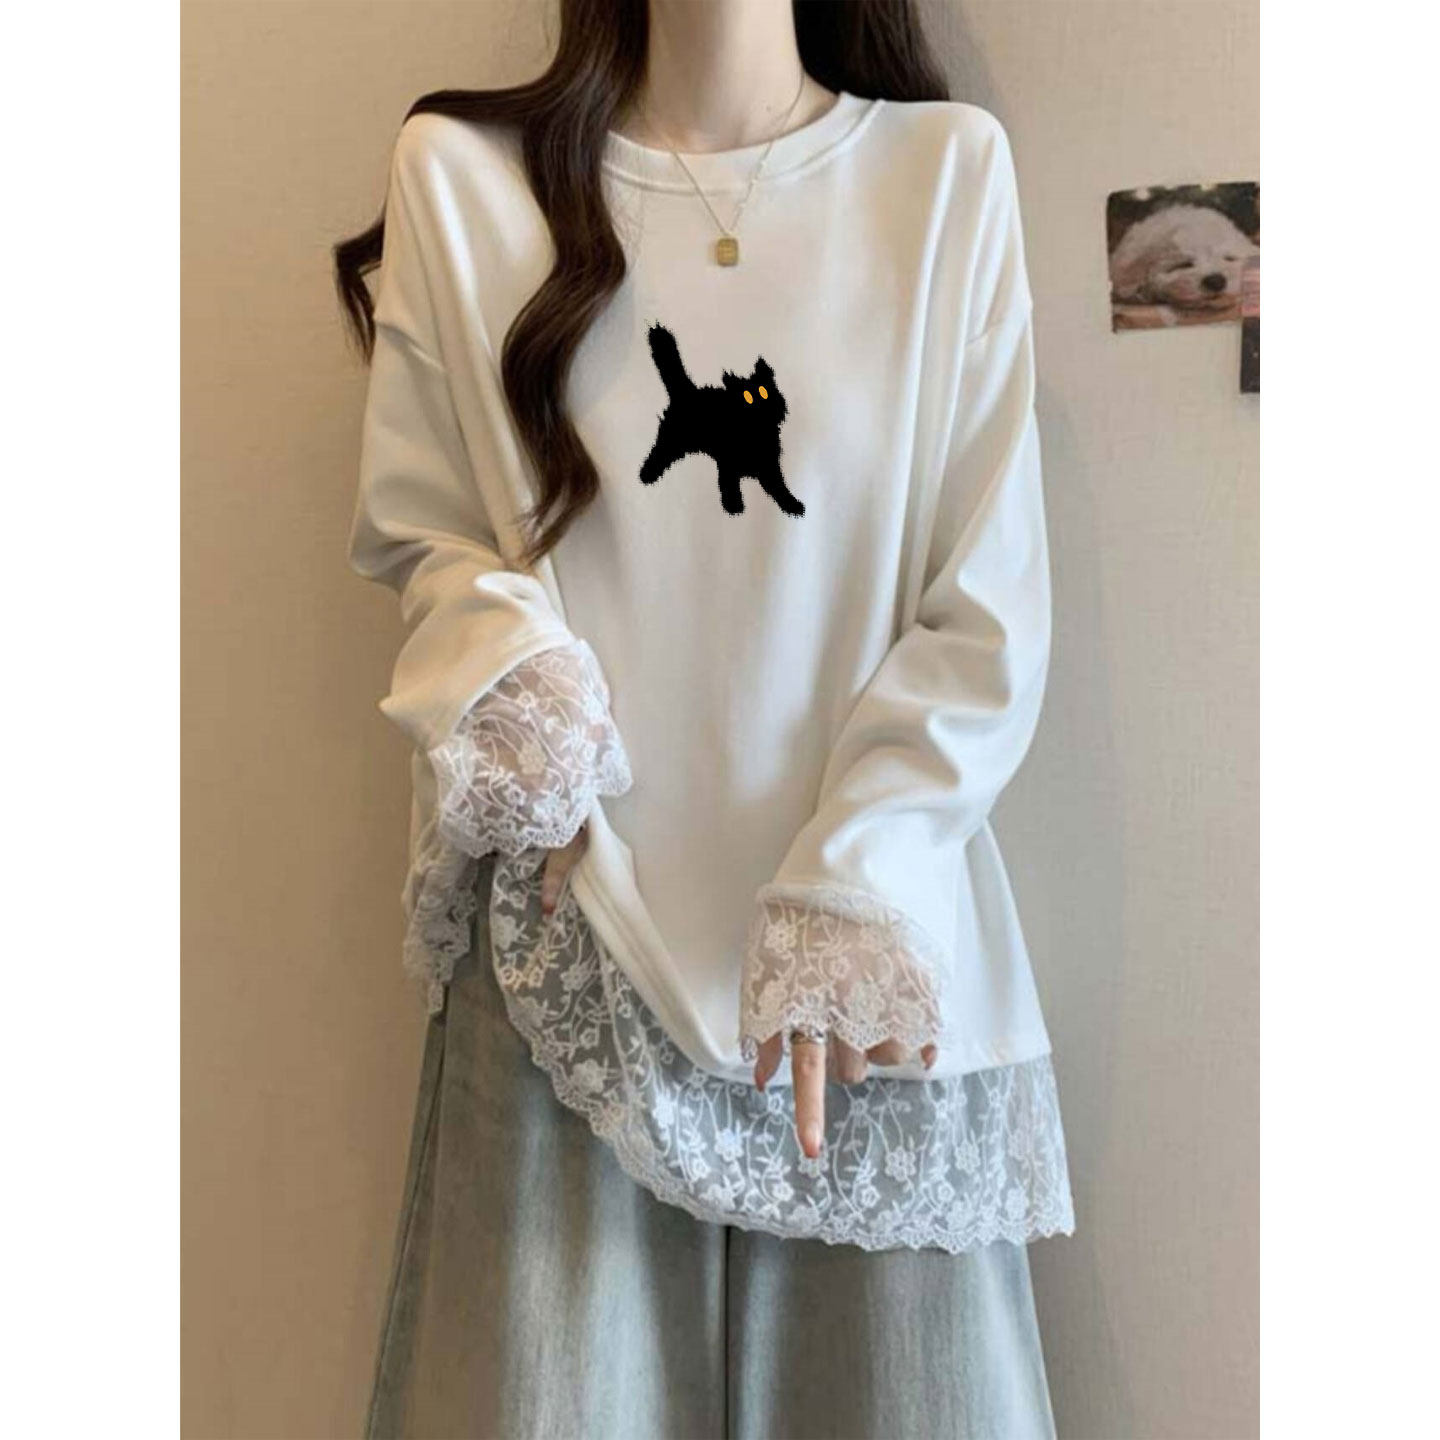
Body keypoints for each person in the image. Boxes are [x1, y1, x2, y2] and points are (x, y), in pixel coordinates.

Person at [335, 1, 1074, 1435]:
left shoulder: (944, 176)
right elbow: (426, 535)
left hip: (866, 990)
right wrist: (520, 690)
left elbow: (987, 612)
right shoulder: (464, 180)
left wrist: (859, 877)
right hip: (575, 951)